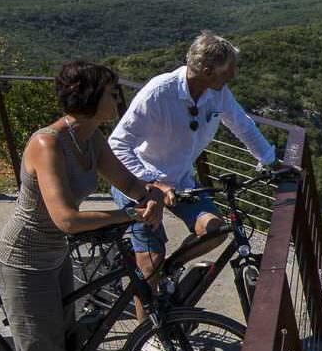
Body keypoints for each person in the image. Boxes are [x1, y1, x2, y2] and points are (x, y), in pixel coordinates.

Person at [0, 62, 168, 351]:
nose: (117, 99)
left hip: (52, 258)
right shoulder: (47, 144)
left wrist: (151, 197)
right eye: (109, 92)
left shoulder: (91, 139)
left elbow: (127, 181)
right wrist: (125, 218)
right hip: (22, 261)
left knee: (70, 343)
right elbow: (66, 219)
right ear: (89, 99)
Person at [107, 31, 281, 294]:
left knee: (216, 230)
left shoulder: (217, 93)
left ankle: (170, 269)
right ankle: (151, 332)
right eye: (228, 71)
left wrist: (271, 162)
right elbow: (117, 144)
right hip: (138, 182)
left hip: (181, 181)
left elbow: (242, 125)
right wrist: (153, 182)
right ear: (208, 71)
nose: (232, 76)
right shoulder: (159, 93)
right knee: (148, 270)